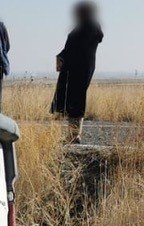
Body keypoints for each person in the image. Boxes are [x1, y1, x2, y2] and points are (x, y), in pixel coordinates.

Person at [51, 1, 104, 143]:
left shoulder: (90, 26)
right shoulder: (84, 26)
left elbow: (79, 48)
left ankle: (75, 135)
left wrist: (64, 57)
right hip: (76, 68)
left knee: (77, 100)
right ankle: (73, 135)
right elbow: (71, 48)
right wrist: (61, 57)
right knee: (72, 100)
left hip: (80, 69)